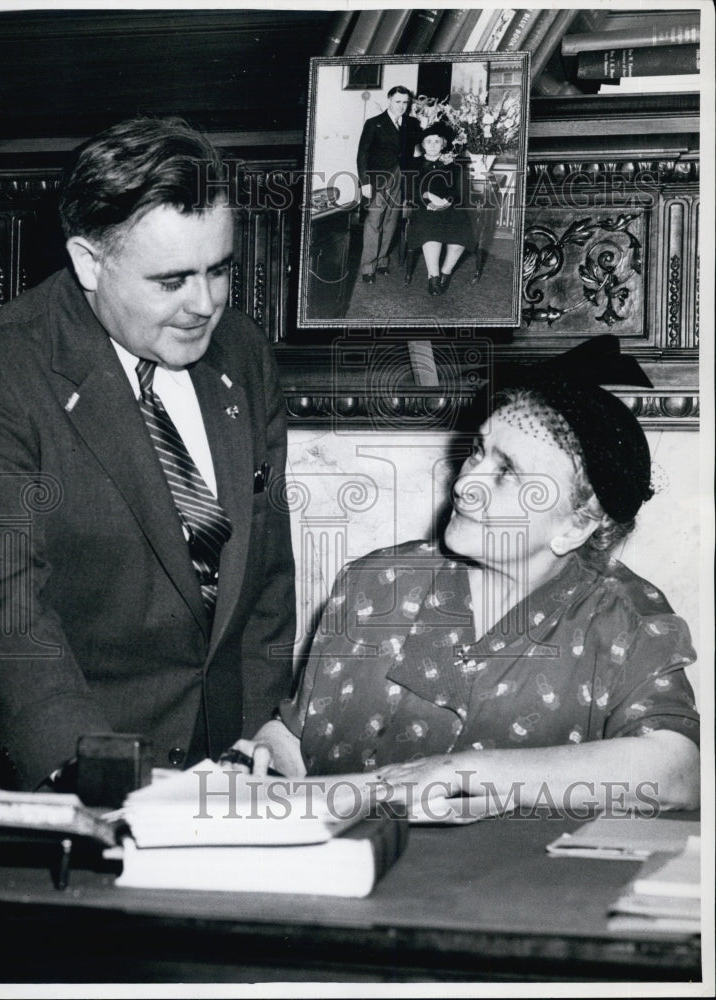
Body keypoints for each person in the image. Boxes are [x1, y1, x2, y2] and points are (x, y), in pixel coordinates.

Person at [0, 116, 296, 792]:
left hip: (221, 769)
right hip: (52, 776)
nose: (204, 304)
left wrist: (260, 723)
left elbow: (265, 576)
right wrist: (104, 778)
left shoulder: (243, 354)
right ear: (90, 261)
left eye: (220, 270)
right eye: (171, 280)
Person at [233, 337, 700, 818]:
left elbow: (678, 769)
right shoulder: (375, 584)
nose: (463, 483)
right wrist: (259, 763)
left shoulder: (622, 619)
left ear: (575, 524)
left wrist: (465, 773)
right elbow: (296, 735)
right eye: (478, 452)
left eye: (507, 473)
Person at [405, 122, 474, 297]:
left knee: (462, 226)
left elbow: (458, 189)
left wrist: (447, 201)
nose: (433, 145)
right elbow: (410, 189)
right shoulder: (414, 164)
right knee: (430, 227)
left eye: (437, 141)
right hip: (423, 207)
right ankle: (433, 276)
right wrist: (428, 199)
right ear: (422, 145)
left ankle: (446, 272)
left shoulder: (452, 163)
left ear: (443, 144)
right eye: (429, 141)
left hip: (449, 206)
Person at [356, 85, 416, 285]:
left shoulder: (410, 124)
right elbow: (362, 154)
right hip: (378, 178)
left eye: (405, 102)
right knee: (375, 220)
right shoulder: (374, 123)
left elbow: (412, 151)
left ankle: (382, 261)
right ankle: (368, 266)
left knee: (391, 220)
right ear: (390, 100)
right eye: (398, 102)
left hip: (401, 177)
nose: (402, 106)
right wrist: (364, 182)